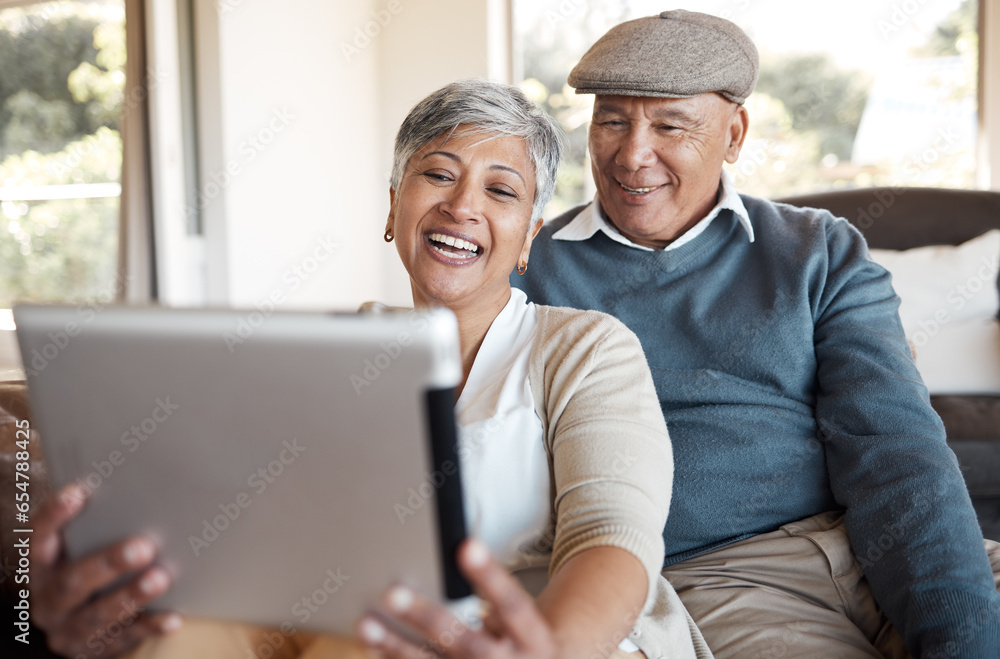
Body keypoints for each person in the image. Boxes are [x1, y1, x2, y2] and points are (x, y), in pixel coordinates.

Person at [29, 79, 708, 659]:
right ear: (393, 207)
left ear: (530, 233)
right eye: (438, 174)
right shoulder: (321, 356)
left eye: (500, 190)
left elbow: (612, 537)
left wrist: (546, 647)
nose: (461, 205)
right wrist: (103, 602)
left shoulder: (586, 348)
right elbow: (251, 546)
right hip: (368, 624)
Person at [510, 9, 1000, 659]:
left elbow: (896, 445)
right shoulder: (529, 264)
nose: (632, 154)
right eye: (611, 120)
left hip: (869, 537)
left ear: (734, 133)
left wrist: (960, 632)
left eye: (669, 124)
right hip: (723, 573)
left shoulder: (820, 250)